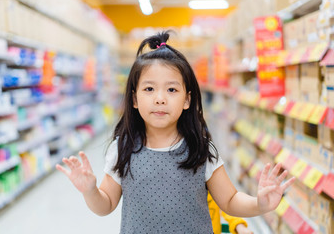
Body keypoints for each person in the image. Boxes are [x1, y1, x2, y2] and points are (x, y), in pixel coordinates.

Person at [56, 31, 295, 233]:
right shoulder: (123, 148)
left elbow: (230, 200)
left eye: (171, 90)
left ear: (187, 100)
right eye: (149, 89)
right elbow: (105, 205)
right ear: (135, 99)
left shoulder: (200, 149)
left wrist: (260, 204)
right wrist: (90, 191)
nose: (160, 99)